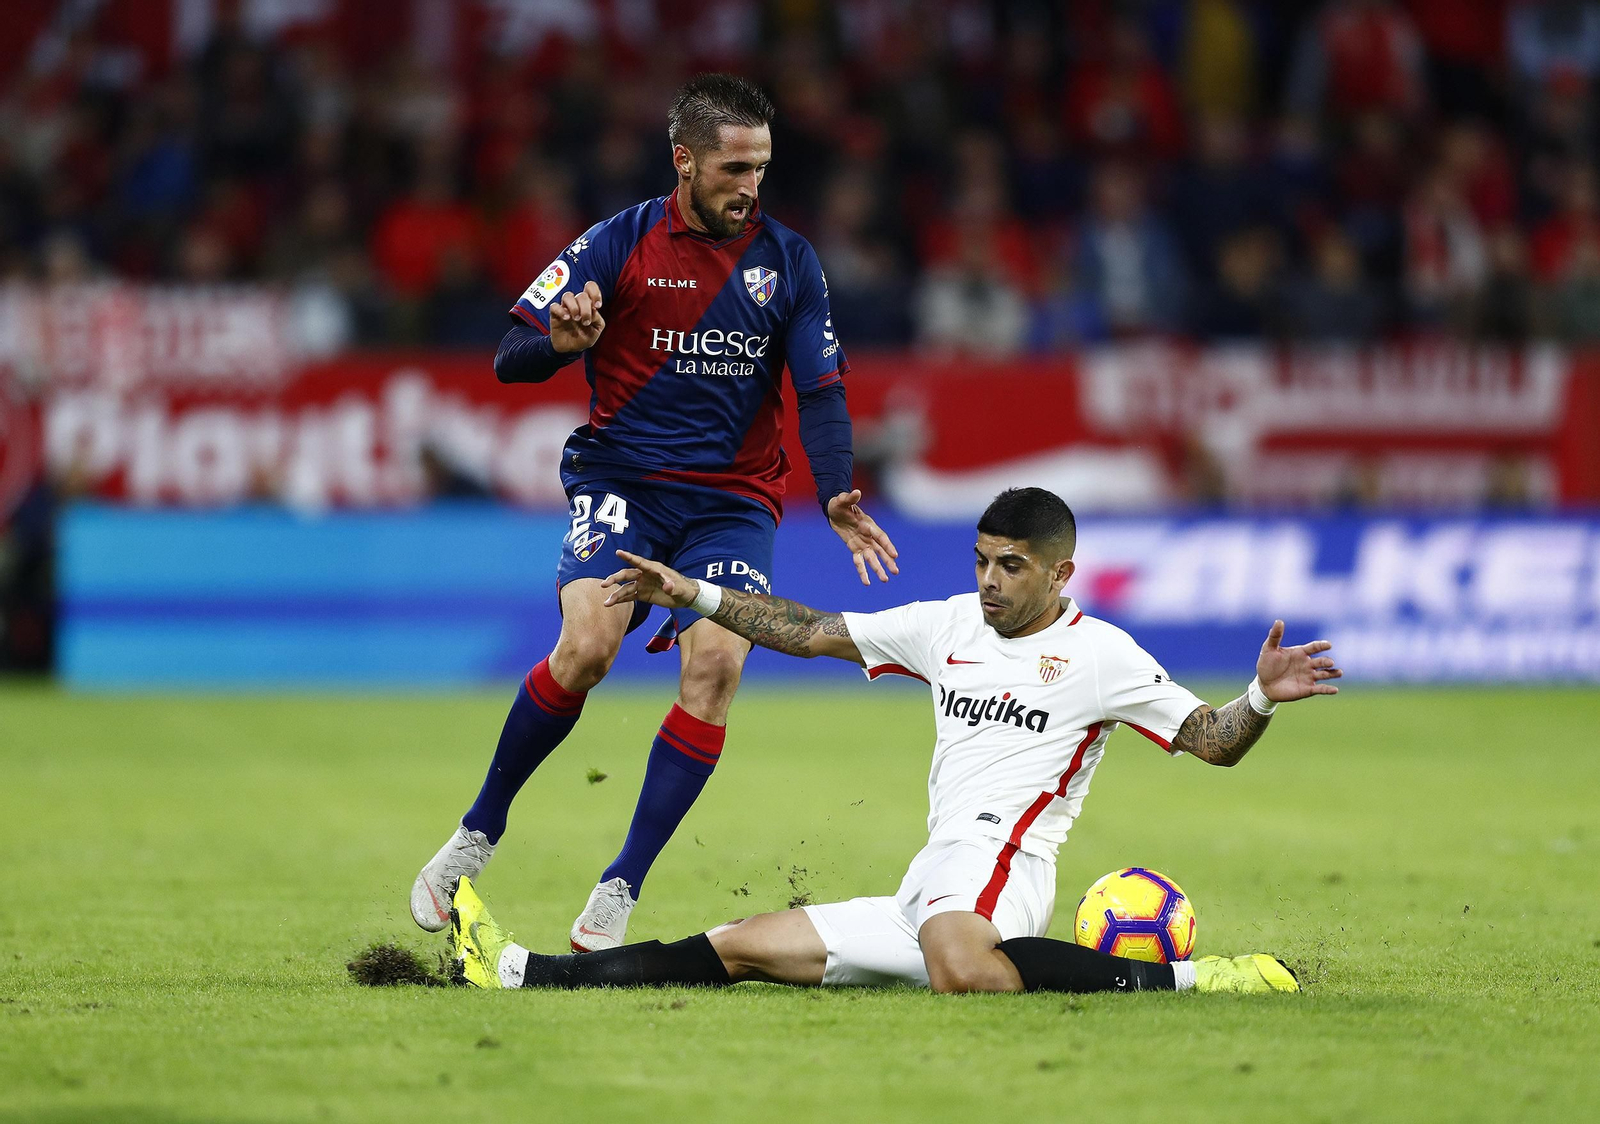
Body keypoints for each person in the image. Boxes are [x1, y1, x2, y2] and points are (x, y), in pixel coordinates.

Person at [449, 488, 1340, 996]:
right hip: (930, 877)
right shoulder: (948, 625)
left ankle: (1203, 981)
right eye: (983, 560)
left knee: (962, 964)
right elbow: (809, 630)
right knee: (742, 943)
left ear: (1062, 572)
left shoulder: (1103, 655)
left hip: (1002, 871)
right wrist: (695, 596)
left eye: (1013, 566)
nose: (990, 582)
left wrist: (1261, 693)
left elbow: (1212, 740)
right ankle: (523, 973)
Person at [409, 74, 899, 950]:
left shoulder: (790, 261)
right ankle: (477, 833)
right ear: (685, 160)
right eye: (733, 167)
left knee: (717, 667)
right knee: (590, 645)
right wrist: (561, 344)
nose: (750, 185)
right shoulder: (617, 242)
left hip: (733, 506)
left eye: (762, 167)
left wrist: (833, 491)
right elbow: (507, 357)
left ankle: (621, 885)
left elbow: (821, 391)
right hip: (623, 482)